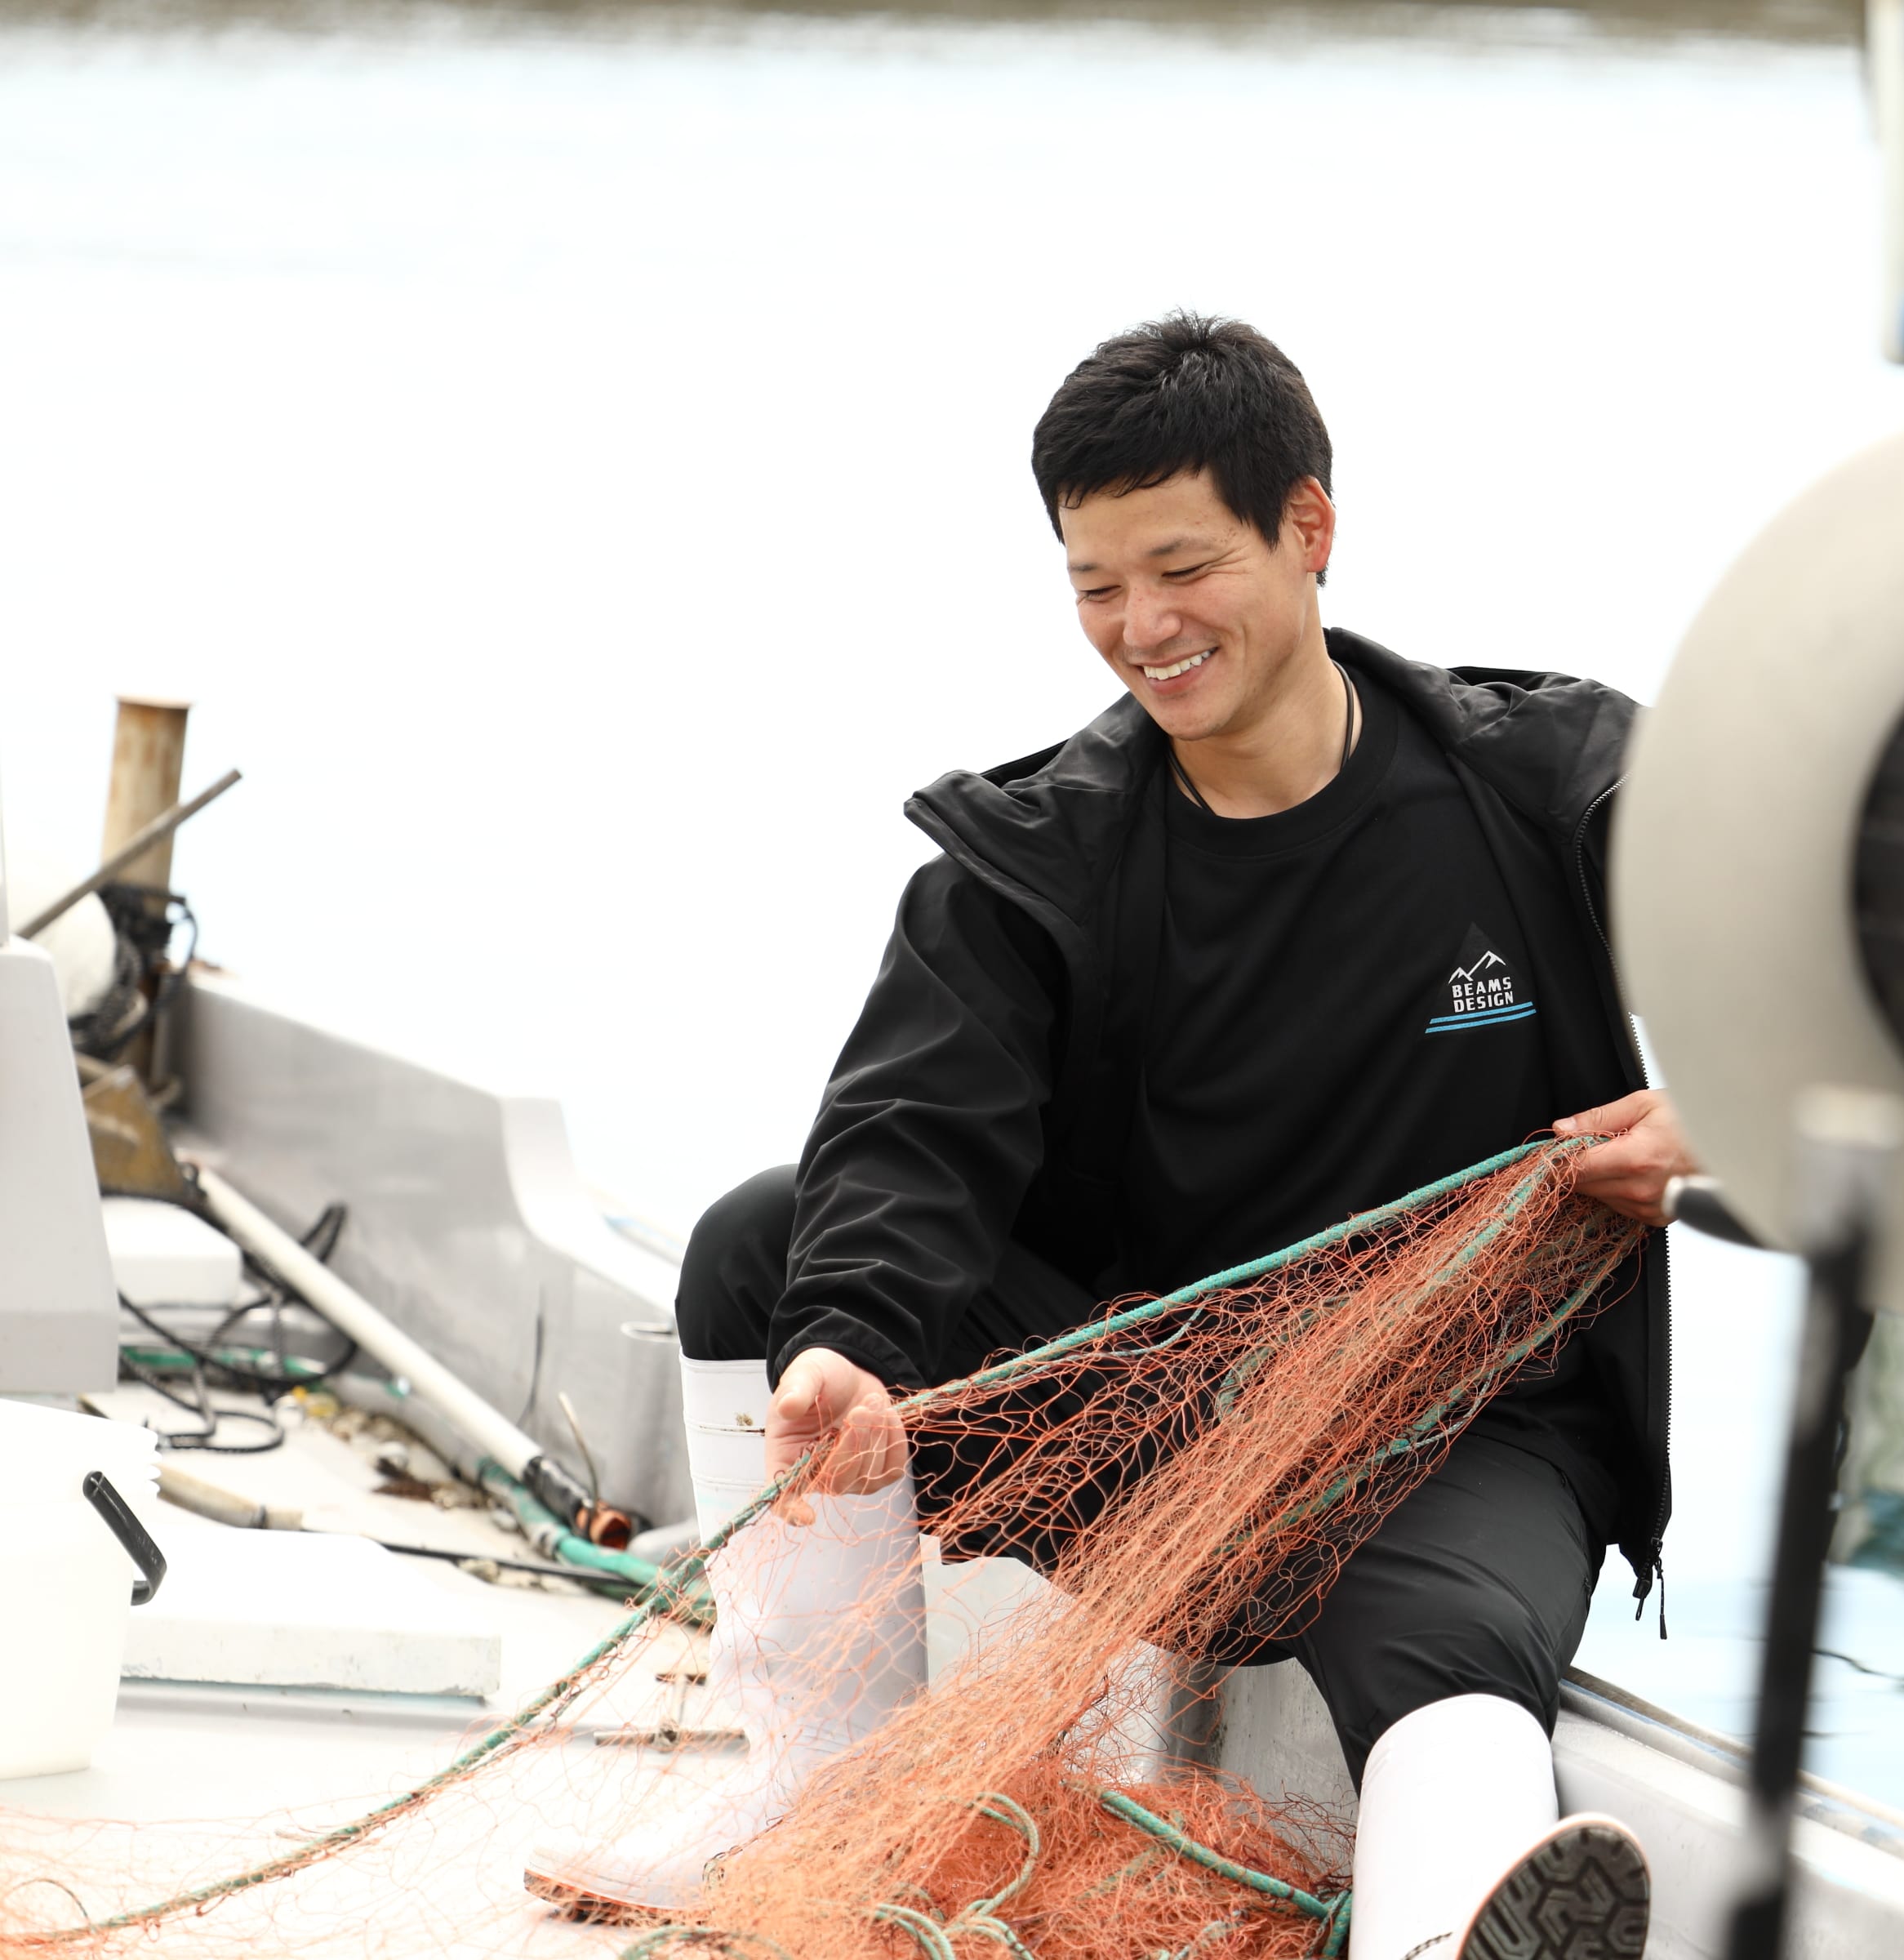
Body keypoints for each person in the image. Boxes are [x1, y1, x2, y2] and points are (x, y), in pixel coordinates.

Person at [524, 312, 1694, 1960]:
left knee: (1443, 1637)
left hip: (1464, 1422)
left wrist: (1731, 1114)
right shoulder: (1036, 859)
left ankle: (1448, 1932)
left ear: (1311, 530)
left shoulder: (1552, 787)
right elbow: (914, 1126)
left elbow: (1826, 969)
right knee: (767, 1250)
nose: (1142, 628)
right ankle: (820, 1812)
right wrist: (852, 1342)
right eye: (1093, 584)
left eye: (1182, 566)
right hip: (1156, 1414)